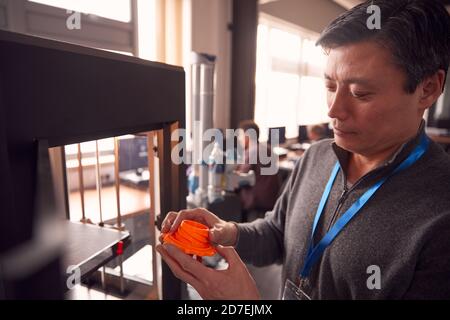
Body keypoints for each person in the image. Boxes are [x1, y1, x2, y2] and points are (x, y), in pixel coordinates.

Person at [156, 0, 450, 299]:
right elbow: (276, 234)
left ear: (427, 88)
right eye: (330, 86)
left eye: (361, 93)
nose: (334, 110)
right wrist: (228, 232)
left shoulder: (440, 216)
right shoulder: (317, 156)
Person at [235, 120, 281, 220]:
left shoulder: (252, 152)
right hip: (271, 199)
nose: (239, 139)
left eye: (240, 136)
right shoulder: (267, 148)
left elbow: (239, 178)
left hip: (256, 203)